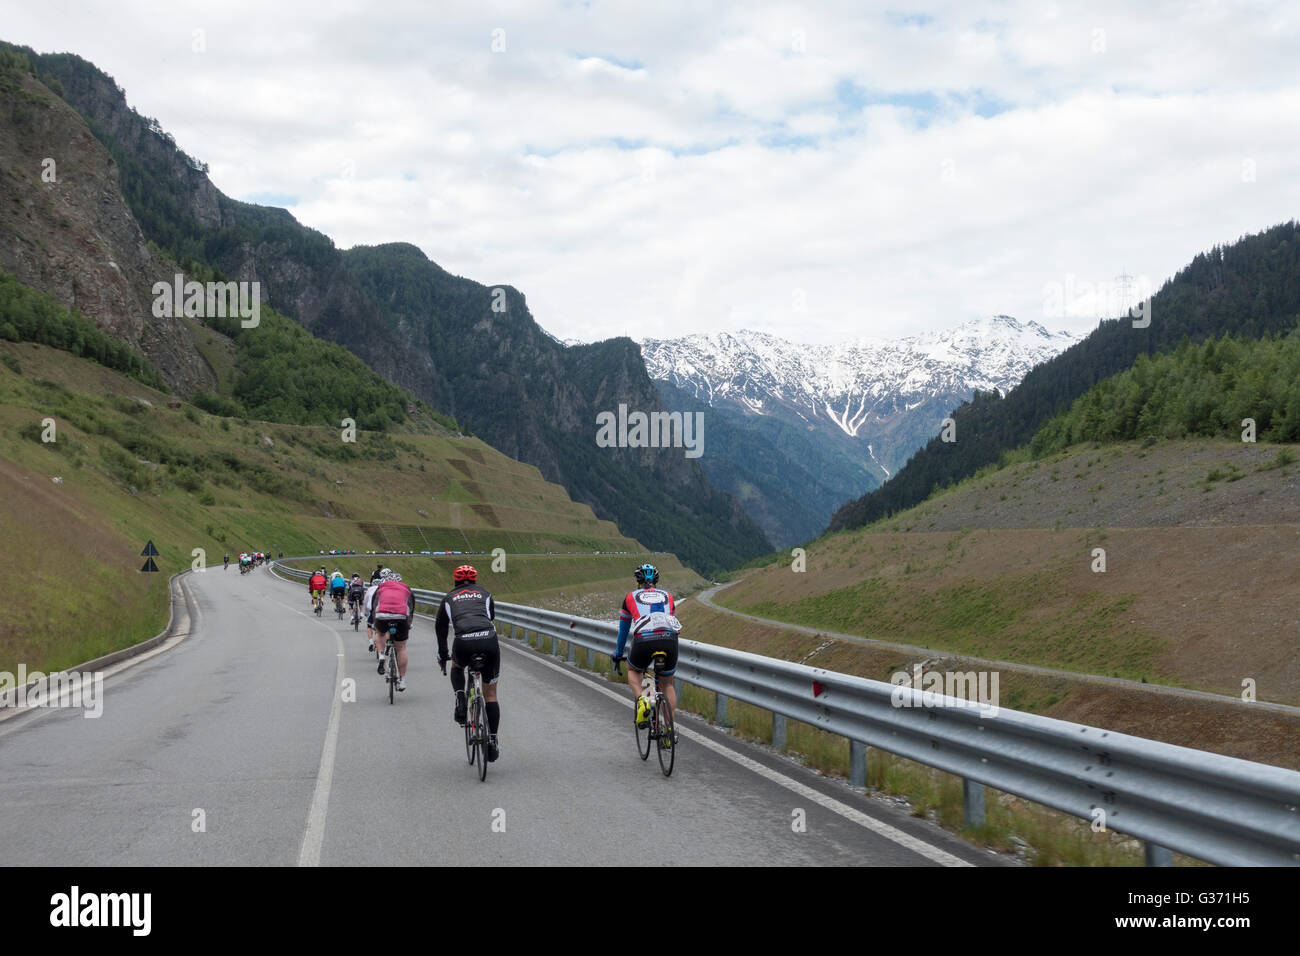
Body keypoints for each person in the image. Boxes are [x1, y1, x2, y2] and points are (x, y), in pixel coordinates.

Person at [435, 565, 502, 762]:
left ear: (455, 581)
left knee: (457, 667)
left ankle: (461, 699)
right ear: (475, 580)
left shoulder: (448, 598)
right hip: (488, 639)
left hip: (463, 641)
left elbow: (440, 628)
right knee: (491, 694)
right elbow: (491, 616)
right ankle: (492, 740)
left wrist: (444, 653)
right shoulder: (485, 593)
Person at [611, 564, 681, 733]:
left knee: (634, 671)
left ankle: (643, 699)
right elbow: (673, 624)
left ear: (638, 581)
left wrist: (618, 653)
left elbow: (624, 631)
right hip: (669, 639)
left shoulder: (630, 597)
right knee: (668, 684)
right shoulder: (668, 596)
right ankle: (668, 730)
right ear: (656, 580)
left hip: (644, 640)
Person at [373, 571, 415, 692]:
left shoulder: (381, 587)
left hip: (382, 615)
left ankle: (381, 654)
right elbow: (411, 607)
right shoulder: (406, 588)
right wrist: (409, 623)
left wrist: (376, 622)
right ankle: (402, 680)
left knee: (380, 633)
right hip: (401, 617)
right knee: (401, 648)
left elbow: (374, 605)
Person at [362, 569, 386, 653]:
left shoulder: (370, 589)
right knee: (381, 629)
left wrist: (364, 613)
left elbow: (365, 601)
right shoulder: (383, 589)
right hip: (381, 610)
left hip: (371, 609)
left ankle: (371, 642)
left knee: (369, 626)